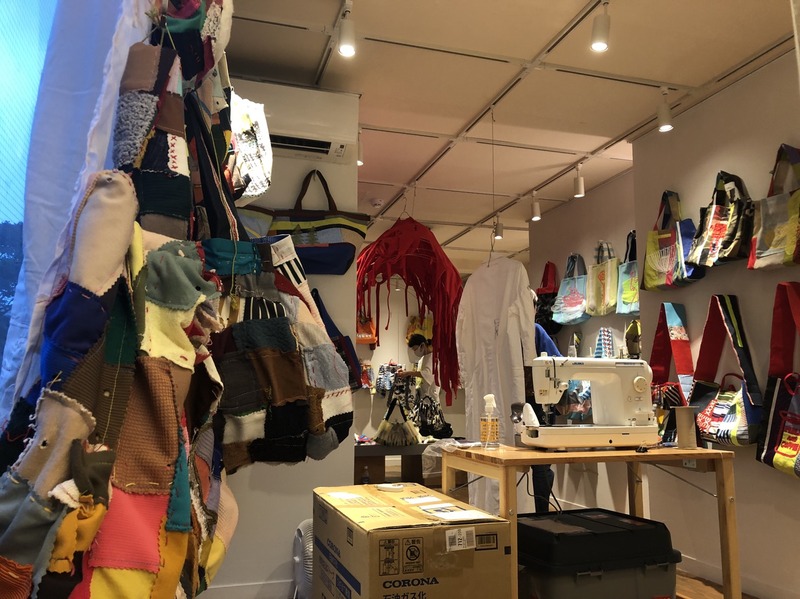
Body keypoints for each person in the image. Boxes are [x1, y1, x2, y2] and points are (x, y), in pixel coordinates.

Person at [526, 322, 561, 513]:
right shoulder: (534, 330)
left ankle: (541, 514)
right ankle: (542, 514)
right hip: (535, 404)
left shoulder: (534, 330)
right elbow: (559, 362)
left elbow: (558, 364)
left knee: (541, 465)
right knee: (541, 465)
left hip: (532, 403)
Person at [397, 334, 451, 438]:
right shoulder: (424, 358)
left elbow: (427, 375)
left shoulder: (432, 357)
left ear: (422, 345)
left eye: (415, 349)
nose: (415, 352)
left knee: (430, 429)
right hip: (424, 398)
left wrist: (408, 373)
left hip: (431, 399)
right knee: (423, 428)